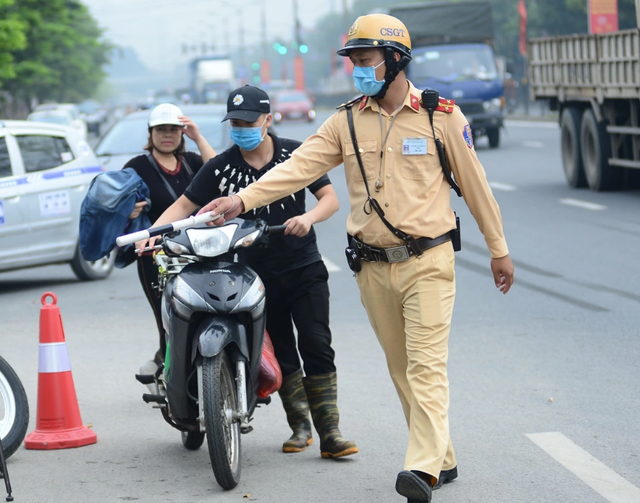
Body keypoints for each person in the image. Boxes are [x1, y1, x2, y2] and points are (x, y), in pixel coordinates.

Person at [197, 14, 515, 503]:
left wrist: (499, 249)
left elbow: (475, 186)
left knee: (426, 366)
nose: (359, 72)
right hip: (371, 267)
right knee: (401, 368)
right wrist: (241, 202)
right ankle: (442, 455)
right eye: (355, 63)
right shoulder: (345, 120)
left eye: (366, 61)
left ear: (395, 59)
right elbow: (296, 169)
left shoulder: (441, 116)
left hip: (428, 261)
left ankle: (422, 467)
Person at [136, 85, 358, 459]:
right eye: (235, 122)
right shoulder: (220, 166)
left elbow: (330, 199)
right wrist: (151, 234)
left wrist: (307, 218)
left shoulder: (294, 154)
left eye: (248, 121)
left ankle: (330, 432)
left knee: (317, 345)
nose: (241, 128)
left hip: (303, 266)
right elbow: (184, 205)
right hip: (252, 276)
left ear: (267, 120)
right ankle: (299, 426)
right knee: (283, 350)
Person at [125, 103, 217, 368]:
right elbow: (117, 202)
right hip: (156, 253)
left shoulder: (191, 162)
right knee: (167, 317)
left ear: (182, 133)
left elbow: (218, 173)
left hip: (197, 248)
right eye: (161, 130)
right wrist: (129, 211)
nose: (167, 135)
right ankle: (168, 372)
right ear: (150, 134)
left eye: (173, 130)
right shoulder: (137, 166)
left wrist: (198, 137)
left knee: (202, 310)